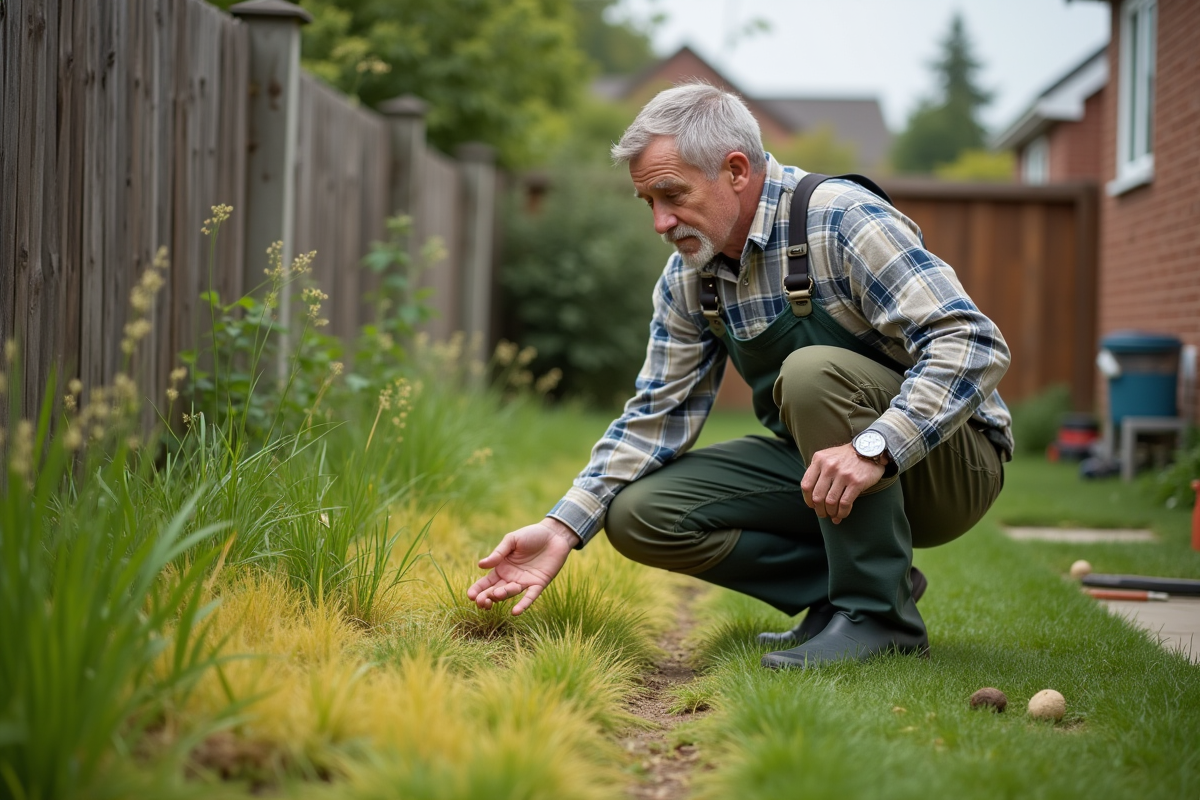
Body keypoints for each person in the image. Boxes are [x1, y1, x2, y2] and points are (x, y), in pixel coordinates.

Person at [468, 83, 1012, 669]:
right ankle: (847, 594)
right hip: (822, 470)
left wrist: (875, 447)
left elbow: (971, 341)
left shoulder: (840, 219)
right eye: (647, 202)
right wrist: (562, 526)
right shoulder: (689, 277)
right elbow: (656, 415)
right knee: (639, 515)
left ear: (735, 170)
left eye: (672, 194)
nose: (660, 222)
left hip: (950, 466)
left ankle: (879, 618)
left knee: (811, 373)